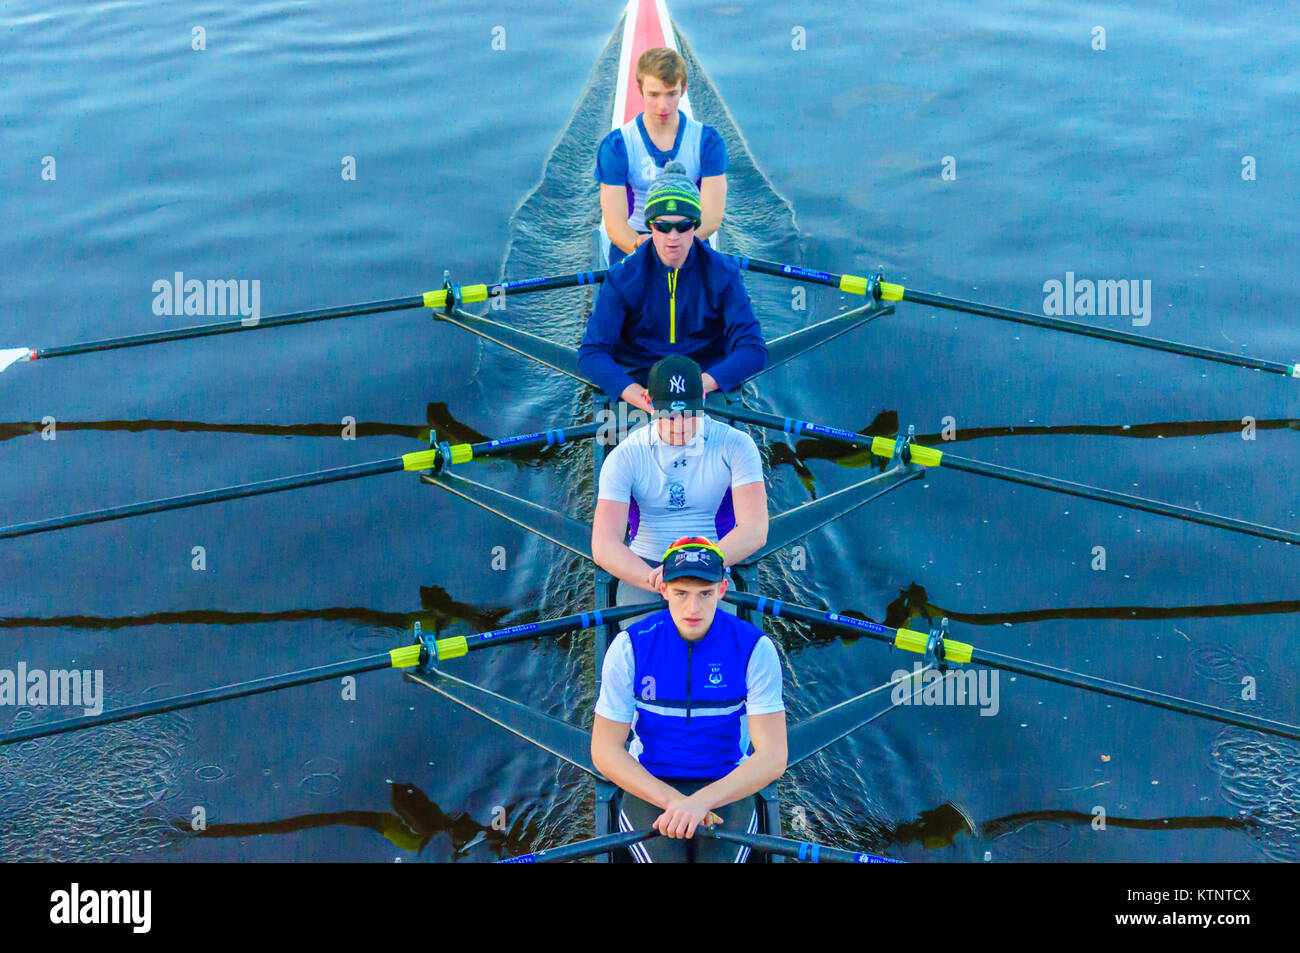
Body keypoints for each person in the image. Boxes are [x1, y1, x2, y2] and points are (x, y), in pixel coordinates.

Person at [591, 536, 787, 862]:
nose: (692, 608)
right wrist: (675, 802)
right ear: (664, 589)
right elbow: (605, 750)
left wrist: (701, 802)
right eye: (681, 594)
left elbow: (773, 757)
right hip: (652, 780)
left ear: (722, 590)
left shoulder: (755, 649)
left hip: (726, 782)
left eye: (705, 594)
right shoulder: (629, 648)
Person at [592, 354, 767, 624]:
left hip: (710, 565)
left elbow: (755, 530)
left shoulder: (736, 445)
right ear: (649, 403)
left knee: (713, 650)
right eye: (669, 416)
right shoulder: (625, 456)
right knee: (645, 652)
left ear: (704, 401)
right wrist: (660, 580)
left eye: (689, 414)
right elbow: (604, 545)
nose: (681, 426)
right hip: (646, 570)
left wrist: (697, 567)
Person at [579, 165, 767, 412]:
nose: (673, 237)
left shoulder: (724, 273)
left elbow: (754, 350)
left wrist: (697, 386)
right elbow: (592, 354)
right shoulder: (622, 277)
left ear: (696, 226)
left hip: (702, 383)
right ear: (650, 226)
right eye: (663, 226)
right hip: (641, 386)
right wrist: (637, 395)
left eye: (684, 226)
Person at [596, 46, 727, 265]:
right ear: (640, 90)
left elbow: (712, 218)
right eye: (654, 95)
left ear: (683, 89)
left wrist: (675, 247)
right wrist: (651, 251)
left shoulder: (708, 142)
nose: (662, 106)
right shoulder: (617, 146)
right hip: (637, 240)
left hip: (689, 234)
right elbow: (615, 226)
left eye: (671, 94)